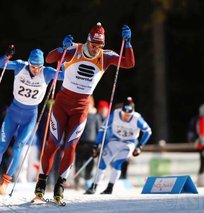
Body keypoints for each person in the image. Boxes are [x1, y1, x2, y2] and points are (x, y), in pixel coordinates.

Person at [34, 22, 135, 202]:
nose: (96, 48)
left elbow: (128, 63)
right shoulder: (75, 49)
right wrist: (61, 48)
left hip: (81, 108)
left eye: (100, 45)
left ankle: (59, 185)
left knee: (70, 146)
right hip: (62, 104)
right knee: (53, 143)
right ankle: (41, 182)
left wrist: (127, 43)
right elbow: (49, 60)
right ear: (88, 41)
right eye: (94, 44)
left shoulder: (105, 57)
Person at [0, 46, 64, 195]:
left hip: (30, 116)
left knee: (18, 147)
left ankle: (5, 183)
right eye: (33, 66)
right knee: (1, 145)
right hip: (13, 113)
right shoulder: (20, 66)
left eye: (38, 67)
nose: (35, 70)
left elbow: (64, 76)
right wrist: (7, 56)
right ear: (29, 63)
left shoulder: (47, 72)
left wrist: (64, 60)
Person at [85, 97, 151, 194]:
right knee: (103, 161)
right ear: (121, 111)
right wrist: (96, 144)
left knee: (117, 163)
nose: (126, 117)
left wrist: (140, 146)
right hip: (115, 141)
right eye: (124, 114)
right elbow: (103, 128)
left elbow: (148, 131)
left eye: (129, 115)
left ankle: (109, 188)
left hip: (128, 143)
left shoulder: (137, 118)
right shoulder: (115, 114)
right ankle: (93, 187)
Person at [74, 95, 101, 189]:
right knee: (78, 163)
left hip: (92, 143)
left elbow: (99, 130)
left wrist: (99, 143)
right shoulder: (81, 114)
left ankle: (87, 180)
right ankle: (77, 180)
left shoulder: (96, 116)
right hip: (80, 143)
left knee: (90, 164)